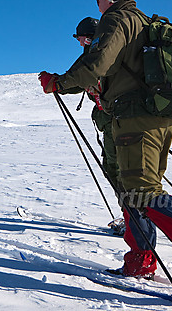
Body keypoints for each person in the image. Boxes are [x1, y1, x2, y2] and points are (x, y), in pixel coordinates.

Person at [39, 0, 172, 301]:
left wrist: (59, 82)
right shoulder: (143, 21)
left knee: (143, 193)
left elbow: (98, 64)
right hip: (156, 115)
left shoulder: (116, 19)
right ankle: (140, 260)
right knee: (133, 192)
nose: (98, 5)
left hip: (135, 118)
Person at [62, 17, 125, 235]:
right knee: (116, 168)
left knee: (120, 170)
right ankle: (133, 217)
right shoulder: (100, 55)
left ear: (88, 38)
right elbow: (78, 81)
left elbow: (78, 79)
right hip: (116, 120)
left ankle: (135, 220)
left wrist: (57, 84)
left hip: (116, 121)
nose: (79, 43)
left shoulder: (96, 57)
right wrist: (58, 85)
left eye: (80, 38)